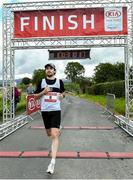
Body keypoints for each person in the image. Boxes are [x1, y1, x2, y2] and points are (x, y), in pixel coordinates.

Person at [34, 63, 65, 174]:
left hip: (56, 110)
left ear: (54, 71)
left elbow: (63, 92)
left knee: (54, 135)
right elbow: (35, 96)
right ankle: (56, 129)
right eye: (47, 69)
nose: (49, 70)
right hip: (45, 111)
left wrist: (62, 96)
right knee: (49, 134)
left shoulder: (59, 81)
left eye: (51, 68)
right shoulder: (41, 82)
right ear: (45, 71)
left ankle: (52, 162)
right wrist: (43, 92)